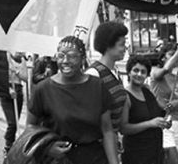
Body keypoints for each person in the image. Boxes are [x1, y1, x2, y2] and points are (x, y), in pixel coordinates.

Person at [27, 36, 118, 164]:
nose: (65, 61)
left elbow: (107, 130)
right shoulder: (43, 89)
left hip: (94, 158)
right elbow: (30, 130)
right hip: (58, 160)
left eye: (72, 56)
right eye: (61, 55)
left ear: (82, 59)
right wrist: (46, 148)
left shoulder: (98, 86)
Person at [86, 21, 128, 148]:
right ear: (108, 45)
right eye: (122, 44)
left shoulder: (115, 71)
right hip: (98, 147)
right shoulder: (94, 74)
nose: (125, 48)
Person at [120, 55, 169, 164]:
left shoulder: (148, 91)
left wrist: (164, 122)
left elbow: (157, 114)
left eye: (143, 72)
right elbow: (123, 128)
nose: (139, 74)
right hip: (137, 154)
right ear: (129, 72)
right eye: (136, 70)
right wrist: (150, 123)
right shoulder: (125, 96)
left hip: (155, 151)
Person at [150, 39, 178, 164]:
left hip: (177, 121)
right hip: (164, 122)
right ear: (162, 58)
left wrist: (177, 102)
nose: (175, 57)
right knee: (174, 161)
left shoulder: (175, 77)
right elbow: (166, 69)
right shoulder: (156, 72)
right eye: (170, 54)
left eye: (176, 55)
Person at [1, 51, 28, 153]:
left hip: (18, 90)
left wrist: (16, 71)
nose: (19, 53)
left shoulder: (22, 61)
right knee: (12, 122)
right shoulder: (6, 58)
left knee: (16, 121)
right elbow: (1, 76)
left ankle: (11, 143)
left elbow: (25, 77)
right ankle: (8, 144)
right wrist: (8, 89)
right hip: (7, 90)